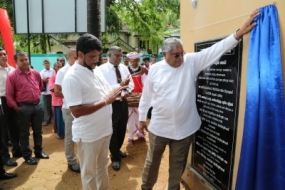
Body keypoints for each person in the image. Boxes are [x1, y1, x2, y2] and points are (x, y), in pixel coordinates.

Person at [138, 10, 260, 190]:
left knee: (177, 166)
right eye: (176, 55)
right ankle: (146, 187)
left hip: (185, 129)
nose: (181, 57)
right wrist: (141, 117)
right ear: (164, 55)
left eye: (182, 53)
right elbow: (147, 96)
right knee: (152, 163)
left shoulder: (191, 62)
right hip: (159, 128)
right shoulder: (155, 69)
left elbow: (214, 50)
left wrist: (237, 34)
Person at [62, 33, 128, 190]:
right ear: (80, 54)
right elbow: (76, 110)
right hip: (89, 135)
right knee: (89, 173)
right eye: (92, 57)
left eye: (98, 56)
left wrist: (119, 88)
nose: (96, 60)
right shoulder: (72, 77)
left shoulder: (95, 69)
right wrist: (106, 101)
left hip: (104, 130)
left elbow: (104, 92)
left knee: (102, 166)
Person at [6, 51, 49, 165]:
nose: (25, 62)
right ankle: (27, 155)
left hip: (37, 106)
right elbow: (9, 95)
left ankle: (39, 151)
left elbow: (40, 86)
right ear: (15, 62)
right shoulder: (12, 76)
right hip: (23, 108)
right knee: (24, 133)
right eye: (21, 60)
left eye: (26, 59)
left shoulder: (35, 73)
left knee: (38, 131)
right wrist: (16, 107)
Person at [96, 46, 134, 171]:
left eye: (120, 55)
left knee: (122, 127)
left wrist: (126, 91)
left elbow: (131, 83)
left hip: (123, 101)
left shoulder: (124, 68)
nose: (119, 58)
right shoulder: (101, 70)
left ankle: (117, 149)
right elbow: (103, 88)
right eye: (116, 55)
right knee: (112, 129)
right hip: (111, 104)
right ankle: (115, 157)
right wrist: (119, 86)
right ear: (109, 55)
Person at [54, 49, 80, 173]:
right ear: (67, 57)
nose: (76, 60)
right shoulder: (62, 72)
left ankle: (81, 158)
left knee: (81, 134)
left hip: (81, 108)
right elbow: (57, 91)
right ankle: (71, 161)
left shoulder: (81, 69)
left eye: (78, 57)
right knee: (69, 136)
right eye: (74, 57)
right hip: (68, 108)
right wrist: (72, 95)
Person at [0, 47, 21, 167]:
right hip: (1, 100)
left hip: (13, 100)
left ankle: (17, 150)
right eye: (0, 54)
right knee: (2, 130)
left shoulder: (12, 70)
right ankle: (5, 157)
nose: (3, 56)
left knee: (14, 126)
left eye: (4, 54)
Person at [126, 52, 148, 146]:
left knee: (141, 116)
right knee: (130, 117)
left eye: (135, 60)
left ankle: (140, 133)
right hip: (130, 96)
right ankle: (130, 136)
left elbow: (150, 76)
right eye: (131, 60)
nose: (133, 62)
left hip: (140, 96)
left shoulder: (143, 68)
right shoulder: (126, 69)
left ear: (138, 60)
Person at [49, 62, 64, 139]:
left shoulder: (64, 76)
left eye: (60, 67)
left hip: (65, 101)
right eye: (57, 67)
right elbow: (54, 90)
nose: (59, 68)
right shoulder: (52, 77)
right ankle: (60, 134)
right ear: (54, 68)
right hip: (57, 102)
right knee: (59, 119)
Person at [40, 59, 55, 126]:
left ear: (50, 63)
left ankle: (54, 120)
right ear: (43, 64)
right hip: (46, 92)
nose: (47, 64)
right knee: (46, 107)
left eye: (48, 63)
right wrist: (44, 80)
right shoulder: (42, 72)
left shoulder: (53, 71)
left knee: (55, 106)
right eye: (45, 63)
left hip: (53, 91)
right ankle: (47, 120)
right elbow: (40, 81)